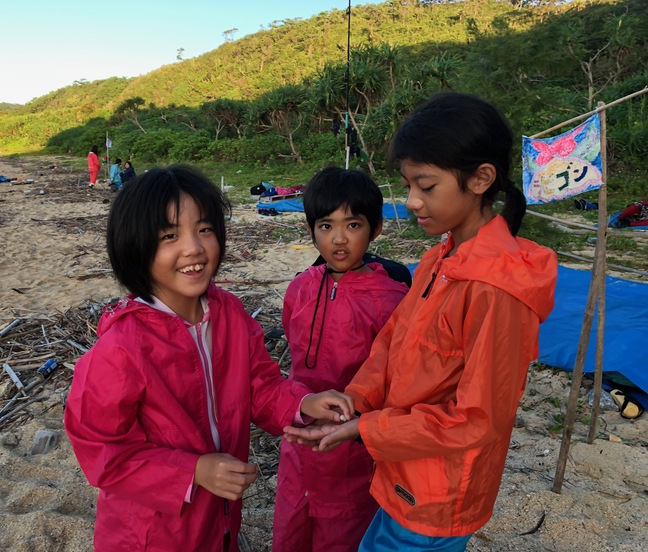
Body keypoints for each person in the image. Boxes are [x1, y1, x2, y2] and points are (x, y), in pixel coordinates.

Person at [284, 92, 558, 552]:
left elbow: (476, 419)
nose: (412, 201)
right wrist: (353, 402)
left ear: (481, 179)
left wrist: (366, 430)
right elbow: (391, 346)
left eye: (426, 186)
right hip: (402, 474)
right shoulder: (438, 261)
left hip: (439, 495)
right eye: (408, 185)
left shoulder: (496, 288)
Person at [63, 164, 355, 552]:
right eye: (170, 235)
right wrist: (194, 470)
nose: (194, 248)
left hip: (218, 517)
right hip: (153, 531)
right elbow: (103, 453)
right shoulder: (122, 348)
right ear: (134, 246)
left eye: (205, 230)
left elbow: (260, 386)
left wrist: (303, 403)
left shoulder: (229, 314)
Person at [273, 166, 409, 552]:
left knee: (343, 534)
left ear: (376, 229)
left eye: (353, 225)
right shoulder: (300, 288)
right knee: (290, 530)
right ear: (311, 230)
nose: (338, 239)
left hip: (352, 448)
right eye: (326, 225)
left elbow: (394, 378)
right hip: (298, 439)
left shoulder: (390, 299)